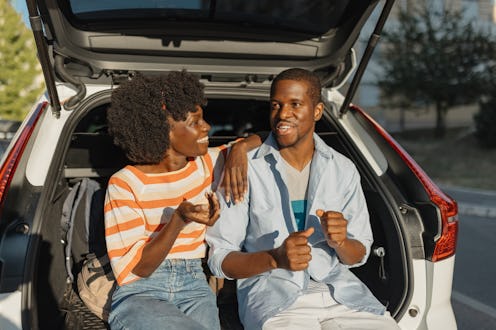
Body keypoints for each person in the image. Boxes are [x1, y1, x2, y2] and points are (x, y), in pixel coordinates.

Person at [207, 68, 400, 330]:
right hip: (274, 299)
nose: (283, 114)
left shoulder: (342, 168)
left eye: (295, 104)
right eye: (276, 105)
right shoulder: (242, 169)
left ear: (318, 111)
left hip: (343, 296)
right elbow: (220, 259)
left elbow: (358, 255)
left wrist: (341, 241)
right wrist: (275, 258)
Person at [104, 71, 261, 330]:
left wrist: (239, 149)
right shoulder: (125, 184)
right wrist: (179, 220)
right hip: (141, 291)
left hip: (195, 285)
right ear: (164, 131)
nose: (207, 127)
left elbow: (270, 136)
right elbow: (139, 268)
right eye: (195, 122)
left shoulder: (208, 162)